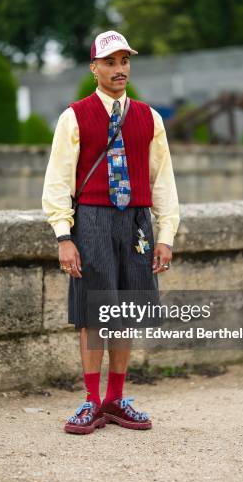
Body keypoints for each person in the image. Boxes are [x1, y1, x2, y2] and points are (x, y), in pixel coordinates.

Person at [42, 30, 180, 434]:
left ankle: (116, 400)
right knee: (93, 313)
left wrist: (166, 235)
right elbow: (57, 180)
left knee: (126, 313)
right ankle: (90, 401)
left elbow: (163, 181)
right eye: (110, 62)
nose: (119, 70)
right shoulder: (75, 116)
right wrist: (63, 236)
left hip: (136, 221)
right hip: (93, 220)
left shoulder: (149, 118)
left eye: (124, 62)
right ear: (94, 68)